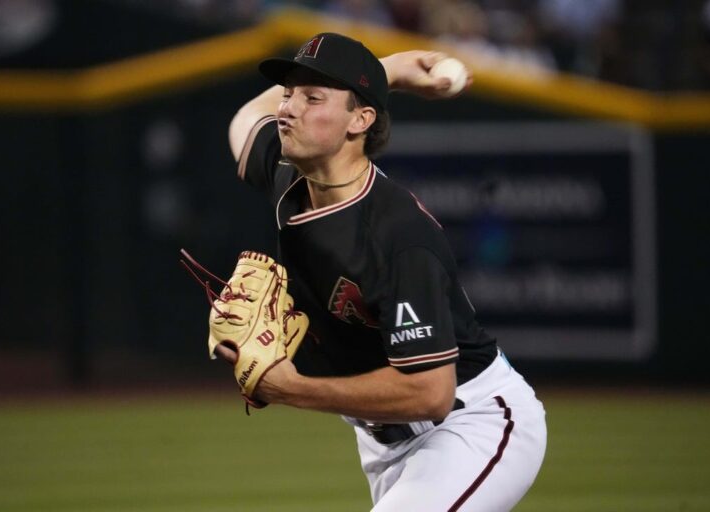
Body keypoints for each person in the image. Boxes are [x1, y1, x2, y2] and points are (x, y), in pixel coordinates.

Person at [219, 32, 547, 511]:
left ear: (361, 119)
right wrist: (387, 71)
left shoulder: (398, 237)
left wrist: (295, 390)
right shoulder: (291, 180)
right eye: (289, 93)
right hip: (384, 440)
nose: (287, 109)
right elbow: (247, 119)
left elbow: (432, 392)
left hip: (470, 422)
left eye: (313, 97)